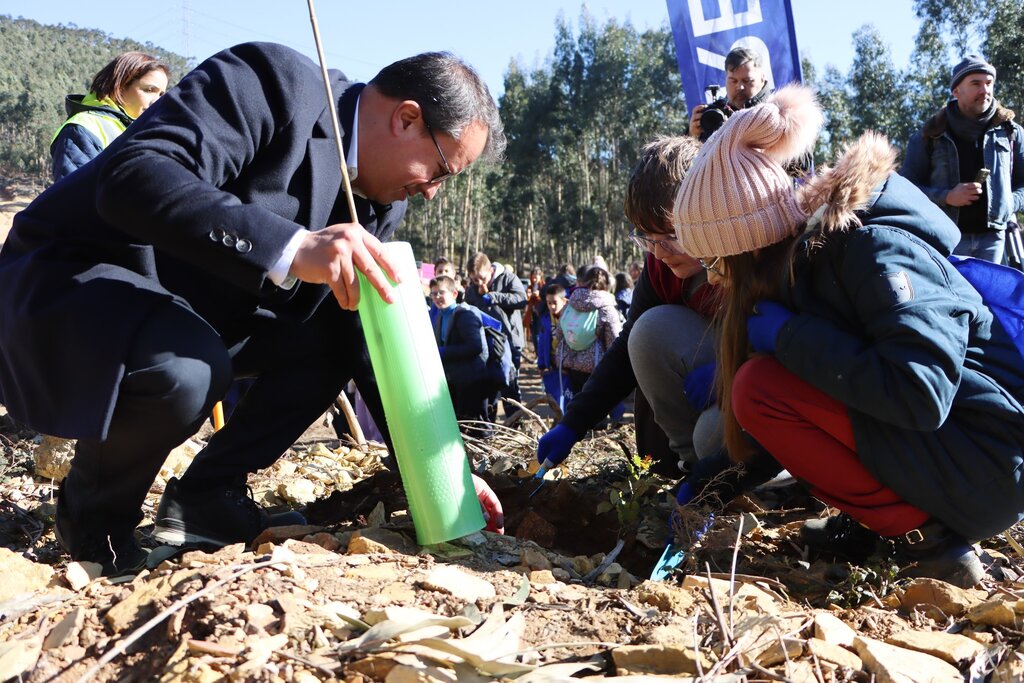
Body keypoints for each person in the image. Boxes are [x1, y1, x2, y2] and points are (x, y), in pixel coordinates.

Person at [0, 42, 506, 575]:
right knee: (189, 367)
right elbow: (132, 175)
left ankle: (205, 496)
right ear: (407, 118)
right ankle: (95, 526)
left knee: (331, 338)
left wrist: (438, 466)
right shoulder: (275, 83)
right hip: (72, 279)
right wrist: (288, 246)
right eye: (442, 169)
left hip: (184, 316)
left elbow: (364, 341)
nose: (431, 192)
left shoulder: (383, 203)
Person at [672, 83, 1024, 588]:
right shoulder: (803, 270)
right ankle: (888, 525)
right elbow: (801, 419)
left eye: (714, 262)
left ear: (746, 248)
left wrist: (793, 337)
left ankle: (928, 545)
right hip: (956, 458)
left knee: (757, 388)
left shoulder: (874, 250)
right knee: (763, 389)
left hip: (989, 464)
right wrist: (705, 489)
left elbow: (922, 392)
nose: (711, 278)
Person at [536, 136, 723, 477]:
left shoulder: (749, 253)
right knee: (648, 330)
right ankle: (692, 470)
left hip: (760, 395)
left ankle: (762, 476)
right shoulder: (658, 268)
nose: (659, 252)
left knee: (714, 436)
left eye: (670, 236)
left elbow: (795, 341)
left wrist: (732, 371)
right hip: (712, 394)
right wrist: (574, 423)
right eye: (647, 239)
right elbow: (628, 348)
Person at [900, 55, 1024, 264]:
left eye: (989, 83)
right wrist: (946, 196)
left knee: (989, 297)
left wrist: (1009, 203)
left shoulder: (1011, 132)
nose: (985, 90)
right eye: (976, 83)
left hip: (994, 239)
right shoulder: (929, 134)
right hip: (945, 238)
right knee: (953, 298)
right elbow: (906, 189)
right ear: (956, 91)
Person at [687, 47, 810, 178]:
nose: (739, 87)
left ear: (762, 78)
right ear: (725, 80)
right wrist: (691, 137)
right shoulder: (714, 114)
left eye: (747, 81)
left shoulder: (783, 111)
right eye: (733, 81)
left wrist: (764, 137)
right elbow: (685, 173)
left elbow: (802, 166)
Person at [51, 51, 171, 181]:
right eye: (149, 90)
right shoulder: (83, 127)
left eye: (160, 94)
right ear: (120, 85)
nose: (156, 101)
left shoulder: (142, 131)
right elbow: (74, 195)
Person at [464, 251, 527, 401]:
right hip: (486, 343)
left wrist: (494, 296)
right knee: (489, 387)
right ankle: (490, 423)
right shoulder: (472, 289)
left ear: (490, 270)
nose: (478, 282)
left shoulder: (508, 278)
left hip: (509, 341)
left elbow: (521, 299)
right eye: (474, 279)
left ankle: (515, 422)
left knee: (509, 385)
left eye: (481, 278)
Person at [552, 267, 622, 397]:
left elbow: (559, 333)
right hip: (596, 366)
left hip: (570, 364)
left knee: (574, 402)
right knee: (594, 406)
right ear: (606, 285)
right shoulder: (607, 308)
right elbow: (615, 341)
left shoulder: (570, 303)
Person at [429, 276, 489, 427]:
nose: (437, 297)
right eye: (433, 293)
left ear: (454, 294)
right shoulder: (439, 317)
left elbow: (475, 347)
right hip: (454, 382)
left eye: (441, 293)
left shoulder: (465, 315)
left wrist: (442, 352)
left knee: (477, 427)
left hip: (471, 382)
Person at [536, 283, 572, 412]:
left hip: (569, 366)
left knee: (569, 397)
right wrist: (541, 364)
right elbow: (542, 343)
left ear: (564, 301)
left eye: (554, 302)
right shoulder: (546, 319)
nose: (551, 306)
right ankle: (560, 420)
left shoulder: (571, 317)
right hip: (552, 363)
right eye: (548, 303)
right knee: (556, 396)